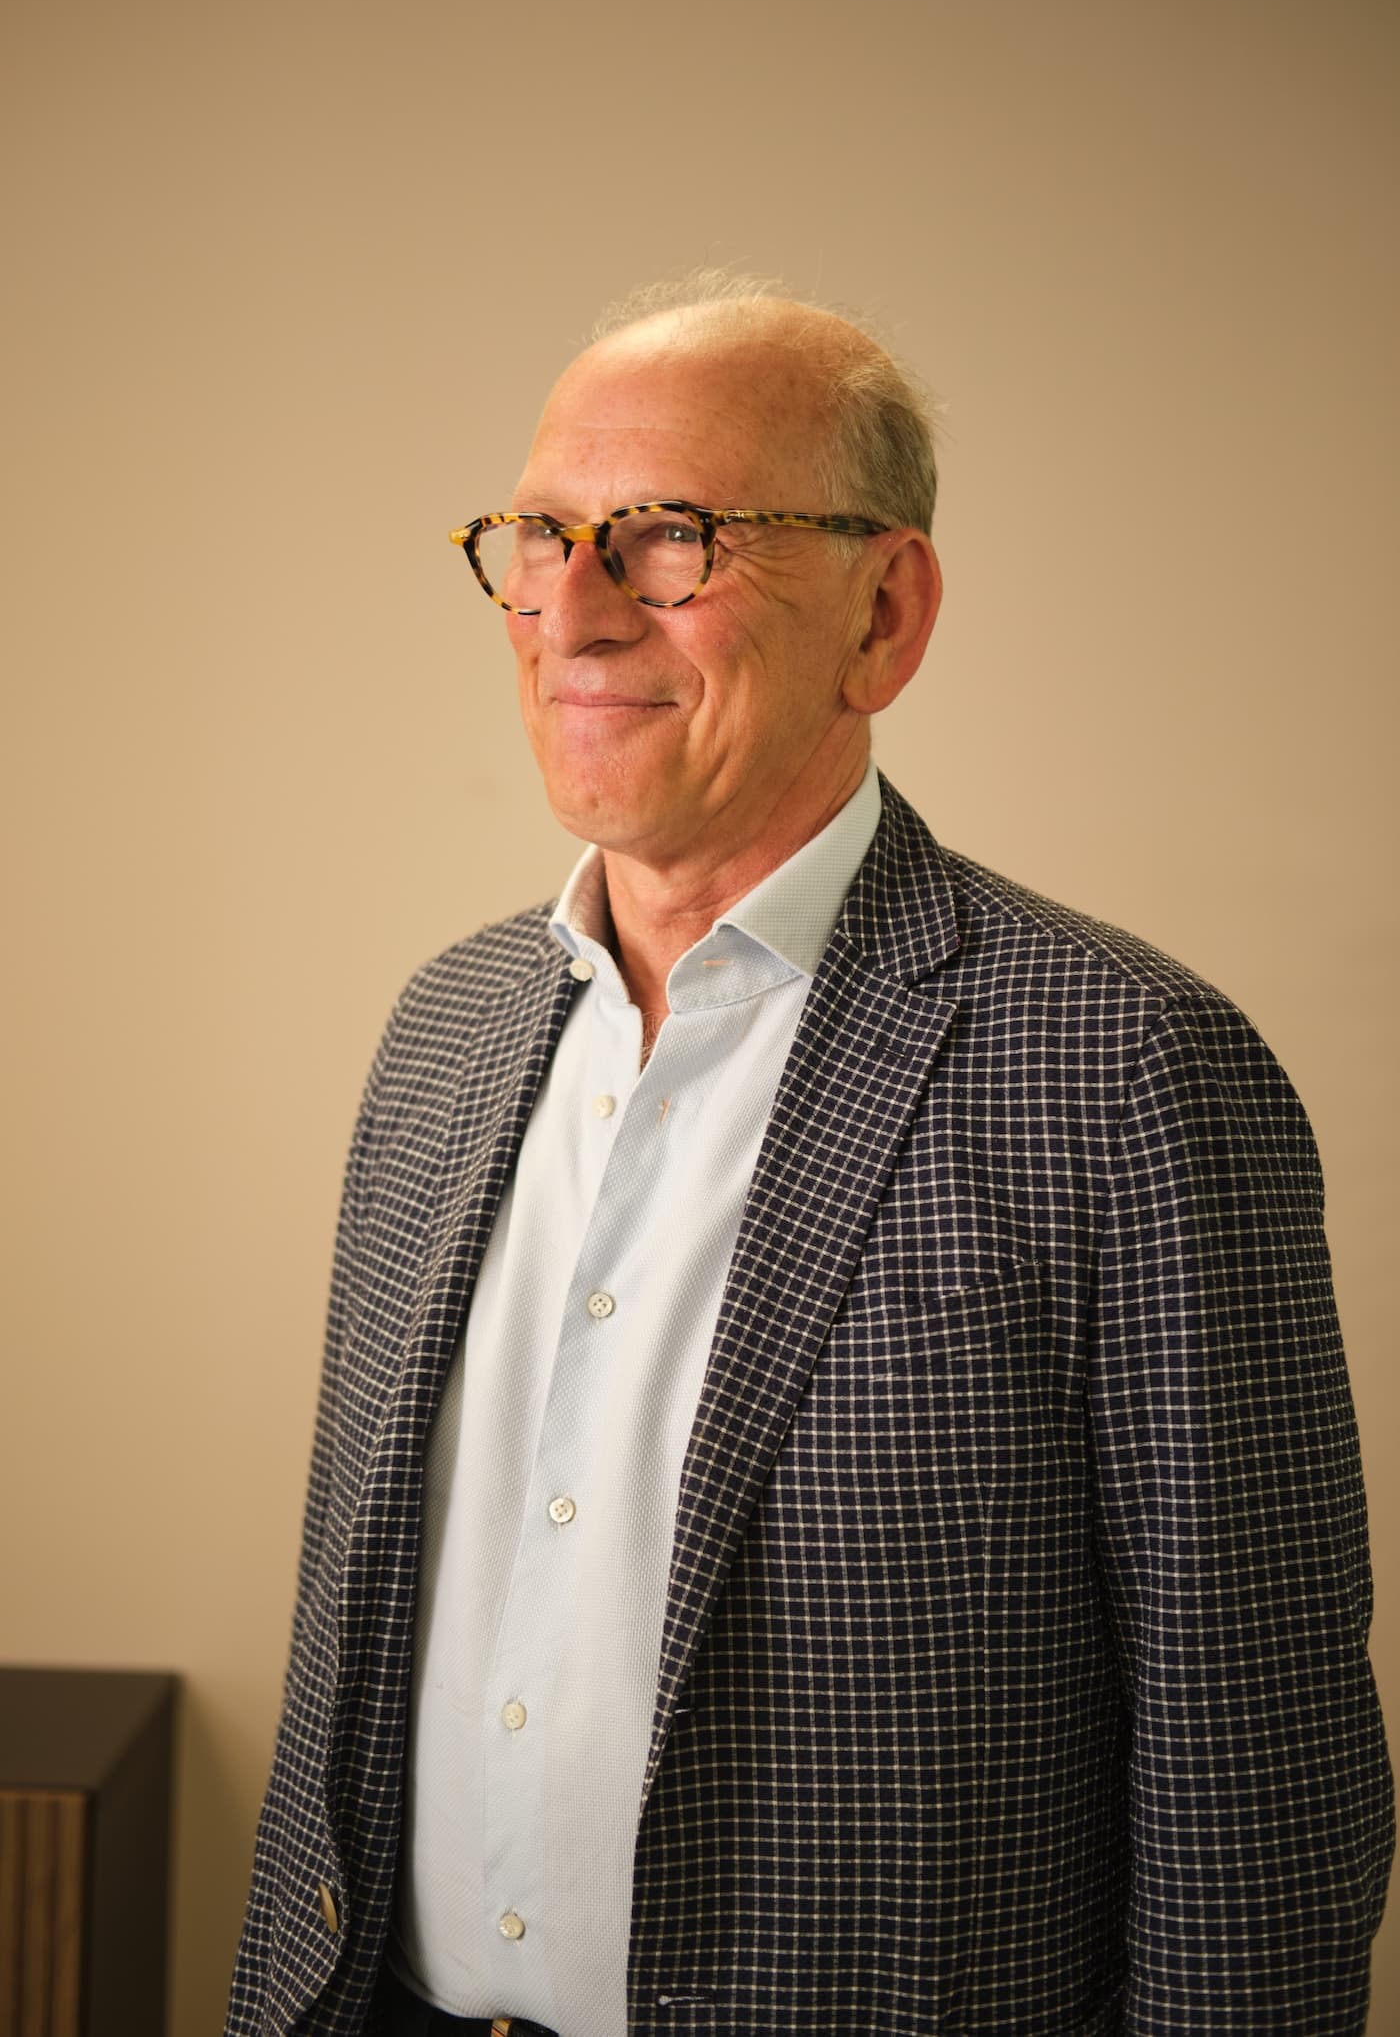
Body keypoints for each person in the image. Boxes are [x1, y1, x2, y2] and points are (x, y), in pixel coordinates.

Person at [226, 275, 1392, 2037]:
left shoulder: (1131, 1072)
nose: (576, 613)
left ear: (884, 616)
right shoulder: (443, 1035)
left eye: (670, 539)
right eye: (541, 537)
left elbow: (1261, 1790)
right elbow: (346, 1667)